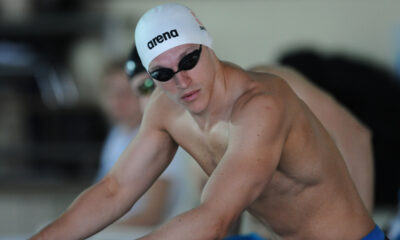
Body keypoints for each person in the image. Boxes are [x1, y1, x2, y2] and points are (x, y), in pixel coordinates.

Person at [31, 3, 384, 240]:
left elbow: (213, 217)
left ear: (208, 44)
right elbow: (115, 189)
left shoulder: (261, 105)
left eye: (188, 61)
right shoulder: (165, 108)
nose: (181, 80)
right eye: (163, 73)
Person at [95, 59, 189, 228]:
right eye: (111, 91)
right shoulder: (118, 134)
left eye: (127, 91)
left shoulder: (164, 137)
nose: (117, 99)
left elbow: (151, 216)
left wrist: (94, 230)